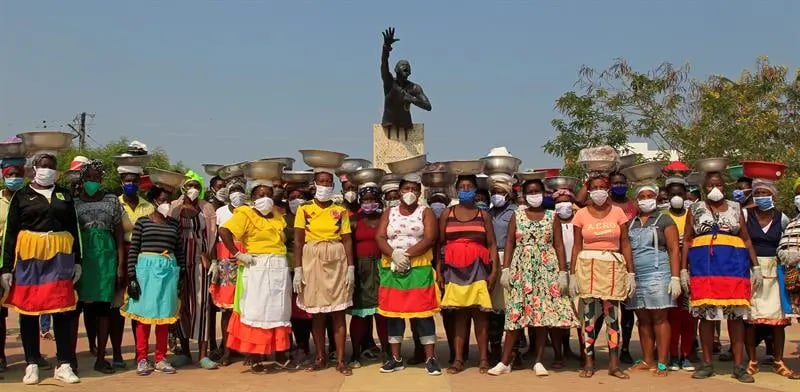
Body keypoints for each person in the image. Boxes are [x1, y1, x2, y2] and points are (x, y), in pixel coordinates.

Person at [1, 153, 81, 385]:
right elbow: (10, 234)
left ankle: (64, 363)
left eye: (51, 167)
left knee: (62, 310)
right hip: (29, 258)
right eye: (43, 166)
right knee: (28, 311)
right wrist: (6, 268)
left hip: (60, 258)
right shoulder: (21, 195)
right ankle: (32, 364)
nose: (47, 170)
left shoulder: (64, 195)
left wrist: (78, 261)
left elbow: (74, 229)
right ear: (34, 168)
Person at [488, 179, 578, 376]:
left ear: (543, 194)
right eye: (530, 191)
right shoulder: (517, 215)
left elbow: (559, 245)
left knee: (542, 315)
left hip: (547, 268)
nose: (534, 194)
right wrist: (506, 269)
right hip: (522, 268)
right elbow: (510, 242)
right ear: (524, 194)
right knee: (515, 314)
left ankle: (538, 360)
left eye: (537, 191)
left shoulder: (551, 216)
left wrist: (563, 272)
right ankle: (504, 361)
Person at [681, 171, 761, 383]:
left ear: (725, 186)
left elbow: (746, 239)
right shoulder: (695, 209)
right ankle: (707, 364)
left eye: (718, 184)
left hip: (733, 270)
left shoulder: (736, 208)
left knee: (735, 319)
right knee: (707, 318)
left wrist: (756, 267)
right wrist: (682, 270)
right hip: (704, 271)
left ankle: (738, 366)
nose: (714, 189)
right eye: (709, 185)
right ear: (704, 187)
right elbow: (687, 240)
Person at [219, 181, 295, 372]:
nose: (265, 198)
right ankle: (255, 356)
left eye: (268, 194)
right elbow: (224, 231)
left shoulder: (278, 216)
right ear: (253, 198)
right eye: (260, 195)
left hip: (278, 265)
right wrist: (237, 254)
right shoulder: (245, 213)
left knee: (279, 311)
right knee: (256, 311)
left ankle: (280, 354)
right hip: (257, 266)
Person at [375, 174, 441, 375]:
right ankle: (395, 358)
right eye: (406, 189)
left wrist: (407, 255)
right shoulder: (390, 212)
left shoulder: (425, 211)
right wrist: (393, 254)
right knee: (393, 314)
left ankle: (430, 358)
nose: (410, 193)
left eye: (414, 189)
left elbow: (430, 238)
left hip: (418, 266)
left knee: (423, 313)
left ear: (420, 193)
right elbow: (379, 236)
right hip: (392, 266)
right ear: (399, 192)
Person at [569, 175, 635, 379]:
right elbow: (576, 246)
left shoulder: (618, 213)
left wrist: (631, 273)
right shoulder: (580, 214)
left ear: (607, 190)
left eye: (602, 187)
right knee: (588, 317)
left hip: (613, 267)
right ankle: (588, 362)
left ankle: (614, 364)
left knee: (612, 318)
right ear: (589, 191)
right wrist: (572, 274)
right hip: (588, 266)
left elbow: (625, 243)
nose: (598, 191)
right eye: (594, 187)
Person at [293, 169, 355, 375]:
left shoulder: (340, 210)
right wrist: (298, 269)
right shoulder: (304, 209)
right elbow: (298, 241)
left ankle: (340, 359)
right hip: (312, 258)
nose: (325, 186)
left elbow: (346, 239)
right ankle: (320, 356)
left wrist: (351, 268)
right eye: (322, 182)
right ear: (315, 184)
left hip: (336, 259)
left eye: (329, 182)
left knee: (338, 312)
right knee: (317, 313)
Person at [438, 175, 500, 374]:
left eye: (469, 186)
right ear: (457, 190)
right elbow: (440, 244)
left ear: (475, 190)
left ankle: (483, 359)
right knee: (460, 316)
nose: (465, 189)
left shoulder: (484, 215)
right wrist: (439, 271)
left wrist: (494, 272)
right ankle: (458, 359)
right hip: (454, 270)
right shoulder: (448, 213)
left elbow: (491, 244)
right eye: (462, 187)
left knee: (480, 316)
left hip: (479, 269)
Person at [120, 186, 182, 376]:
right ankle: (142, 358)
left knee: (164, 317)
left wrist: (182, 275)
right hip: (146, 272)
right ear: (154, 200)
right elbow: (134, 250)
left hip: (168, 271)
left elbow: (178, 250)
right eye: (162, 200)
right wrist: (131, 277)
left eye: (168, 200)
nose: (166, 203)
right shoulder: (142, 222)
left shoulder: (173, 224)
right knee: (144, 318)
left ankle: (161, 358)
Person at [73, 160, 126, 374]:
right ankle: (70, 359)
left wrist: (121, 265)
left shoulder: (112, 200)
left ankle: (102, 358)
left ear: (101, 180)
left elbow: (120, 234)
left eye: (96, 178)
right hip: (83, 256)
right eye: (88, 178)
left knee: (104, 308)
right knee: (75, 309)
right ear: (82, 180)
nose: (92, 182)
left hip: (106, 258)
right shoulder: (74, 202)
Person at [743, 179, 798, 379]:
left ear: (773, 196)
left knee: (778, 319)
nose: (761, 197)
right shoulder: (745, 215)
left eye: (765, 193)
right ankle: (752, 360)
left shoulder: (782, 218)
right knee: (751, 319)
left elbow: (787, 243)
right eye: (757, 193)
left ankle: (778, 361)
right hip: (751, 270)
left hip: (776, 271)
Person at [626, 184, 682, 376]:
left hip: (659, 273)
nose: (645, 199)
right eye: (642, 196)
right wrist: (629, 274)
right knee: (642, 319)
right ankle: (647, 359)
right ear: (636, 200)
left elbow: (674, 249)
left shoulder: (664, 219)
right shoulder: (630, 223)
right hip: (637, 275)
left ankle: (662, 362)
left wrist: (675, 277)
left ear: (656, 198)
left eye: (650, 195)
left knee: (659, 318)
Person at [168, 171, 218, 369]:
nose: (193, 190)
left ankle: (203, 354)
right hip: (179, 262)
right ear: (183, 188)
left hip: (199, 262)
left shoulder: (206, 208)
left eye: (196, 186)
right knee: (181, 305)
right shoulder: (175, 208)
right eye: (190, 186)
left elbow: (212, 234)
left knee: (201, 304)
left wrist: (210, 257)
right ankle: (185, 351)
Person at [349, 183, 389, 368]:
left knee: (382, 314)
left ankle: (387, 353)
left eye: (372, 200)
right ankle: (355, 354)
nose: (369, 203)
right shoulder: (354, 220)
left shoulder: (384, 219)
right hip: (361, 270)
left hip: (382, 268)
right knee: (360, 315)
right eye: (365, 200)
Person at [117, 164, 153, 368]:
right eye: (127, 180)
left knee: (137, 304)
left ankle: (140, 352)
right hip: (119, 254)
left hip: (142, 259)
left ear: (140, 183)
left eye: (134, 180)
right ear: (122, 182)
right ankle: (117, 352)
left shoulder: (148, 207)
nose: (130, 184)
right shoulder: (115, 203)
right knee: (117, 306)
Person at [209, 183, 246, 366]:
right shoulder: (221, 212)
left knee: (247, 306)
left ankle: (247, 349)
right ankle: (227, 350)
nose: (237, 194)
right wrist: (215, 262)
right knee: (227, 308)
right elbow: (215, 237)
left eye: (240, 190)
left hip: (246, 260)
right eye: (233, 191)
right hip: (226, 261)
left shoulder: (250, 210)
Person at [663, 179, 698, 371]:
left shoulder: (692, 215)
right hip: (668, 270)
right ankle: (673, 354)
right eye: (672, 194)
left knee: (689, 315)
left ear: (686, 196)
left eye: (680, 194)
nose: (676, 197)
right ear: (667, 197)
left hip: (692, 269)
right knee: (672, 315)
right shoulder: (662, 216)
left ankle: (686, 354)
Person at [0, 157, 27, 373]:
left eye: (18, 174)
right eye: (10, 174)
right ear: (3, 176)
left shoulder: (28, 199)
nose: (14, 178)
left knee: (27, 307)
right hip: (1, 260)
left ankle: (32, 357)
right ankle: (1, 356)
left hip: (24, 261)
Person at [487, 180, 516, 364]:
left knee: (511, 305)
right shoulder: (488, 213)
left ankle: (514, 350)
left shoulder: (515, 212)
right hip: (491, 258)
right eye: (494, 192)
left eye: (500, 192)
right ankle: (495, 348)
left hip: (510, 257)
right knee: (494, 307)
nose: (496, 195)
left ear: (508, 194)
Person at [285, 186, 313, 363]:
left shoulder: (312, 217)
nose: (296, 200)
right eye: (292, 197)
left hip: (310, 265)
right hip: (288, 267)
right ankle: (294, 345)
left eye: (300, 196)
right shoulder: (284, 219)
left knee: (308, 309)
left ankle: (305, 344)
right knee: (292, 310)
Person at [553, 187, 581, 360]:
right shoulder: (550, 221)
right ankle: (559, 354)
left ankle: (585, 351)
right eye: (558, 202)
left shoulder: (579, 221)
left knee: (579, 311)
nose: (563, 205)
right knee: (559, 312)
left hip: (578, 269)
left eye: (566, 201)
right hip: (556, 270)